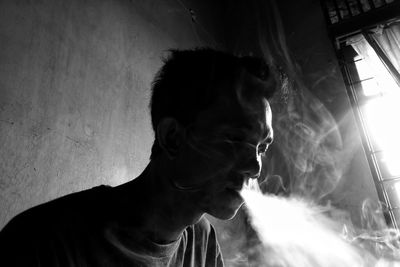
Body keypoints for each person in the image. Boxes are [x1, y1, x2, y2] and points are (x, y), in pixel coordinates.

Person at [0, 48, 277, 266]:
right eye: (235, 139)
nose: (254, 166)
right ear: (173, 138)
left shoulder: (202, 242)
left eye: (262, 147)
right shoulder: (40, 242)